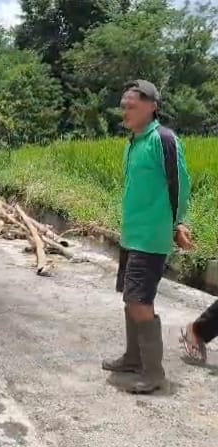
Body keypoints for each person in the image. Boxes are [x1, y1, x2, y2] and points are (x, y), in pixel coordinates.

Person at [102, 79, 193, 394]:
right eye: (124, 106)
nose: (125, 111)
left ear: (152, 107)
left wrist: (179, 223)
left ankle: (153, 373)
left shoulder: (163, 139)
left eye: (132, 105)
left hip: (151, 237)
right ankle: (133, 358)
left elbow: (180, 183)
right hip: (132, 235)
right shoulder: (134, 142)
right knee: (130, 298)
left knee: (140, 301)